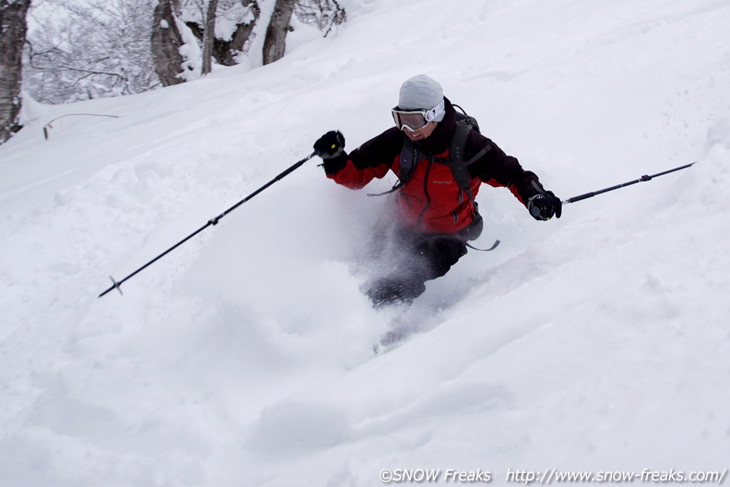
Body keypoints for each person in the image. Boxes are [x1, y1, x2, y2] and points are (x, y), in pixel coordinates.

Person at [313, 74, 561, 307]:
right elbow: (355, 176)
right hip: (398, 224)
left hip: (448, 236)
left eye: (414, 121)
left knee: (404, 277)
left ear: (435, 114)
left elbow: (514, 176)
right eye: (400, 119)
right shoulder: (397, 141)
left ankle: (380, 326)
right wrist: (334, 158)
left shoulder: (470, 146)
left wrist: (535, 196)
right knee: (361, 265)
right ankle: (333, 308)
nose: (407, 129)